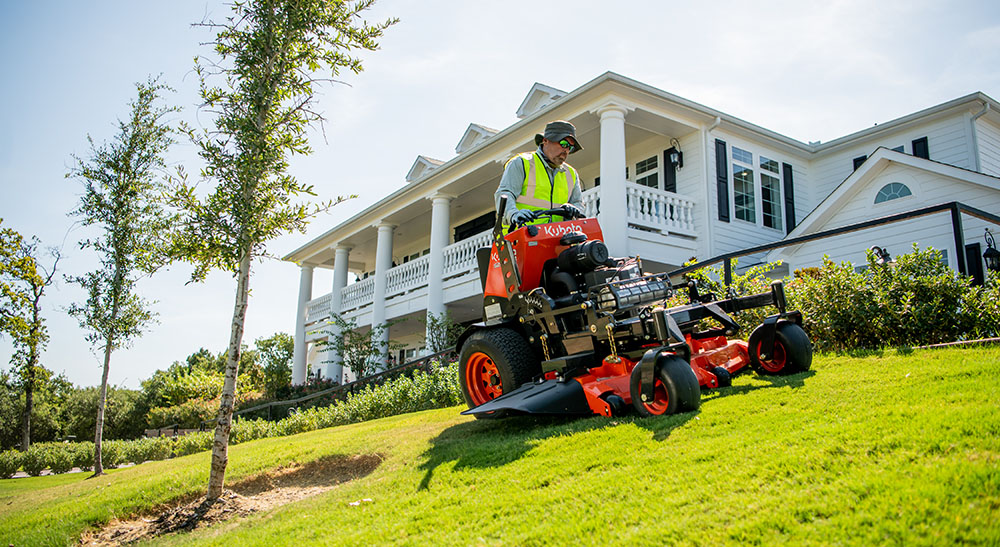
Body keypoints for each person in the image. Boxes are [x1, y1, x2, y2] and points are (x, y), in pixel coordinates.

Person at [495, 120, 585, 227]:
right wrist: (514, 214)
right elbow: (505, 194)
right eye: (563, 144)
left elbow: (578, 203)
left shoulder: (571, 173)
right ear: (545, 140)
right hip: (520, 236)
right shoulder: (522, 163)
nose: (566, 150)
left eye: (570, 147)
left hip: (556, 238)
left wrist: (575, 209)